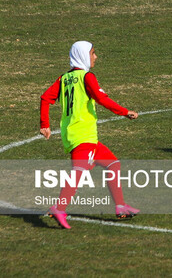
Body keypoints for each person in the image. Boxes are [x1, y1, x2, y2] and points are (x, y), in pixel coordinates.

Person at [40, 41, 140, 229]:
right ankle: (58, 208)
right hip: (82, 134)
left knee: (112, 164)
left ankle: (120, 206)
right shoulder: (87, 77)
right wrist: (125, 112)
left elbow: (45, 98)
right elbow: (101, 98)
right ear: (83, 55)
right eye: (93, 53)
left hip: (76, 134)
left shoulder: (64, 78)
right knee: (79, 172)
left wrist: (45, 125)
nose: (95, 57)